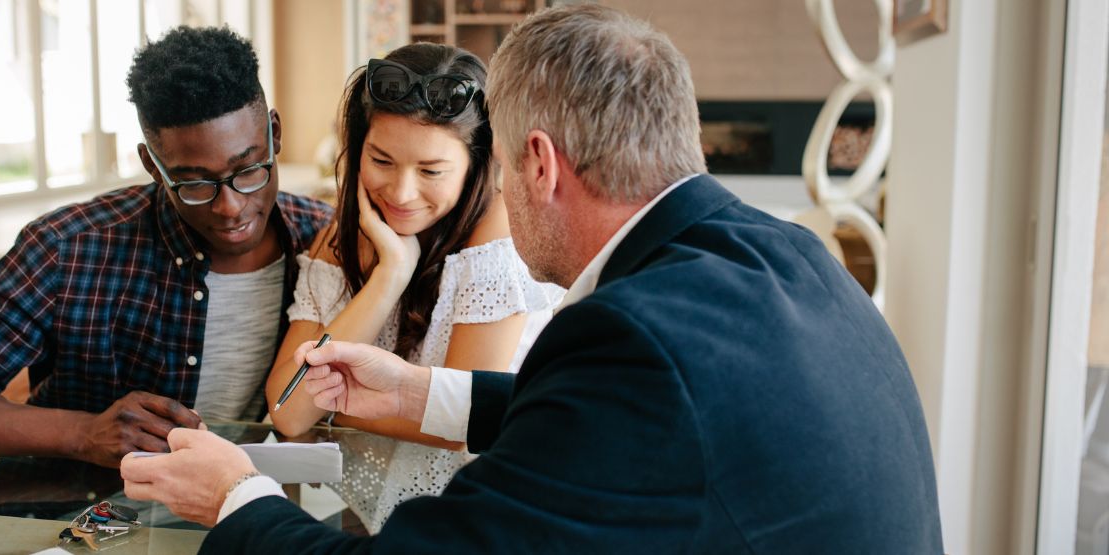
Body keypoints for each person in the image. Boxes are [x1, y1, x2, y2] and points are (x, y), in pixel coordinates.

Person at [121, 5, 945, 553]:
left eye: (502, 170)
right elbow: (632, 419)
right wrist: (416, 394)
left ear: (539, 163)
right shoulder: (786, 254)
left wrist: (237, 497)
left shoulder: (634, 336)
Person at [0, 26, 331, 468]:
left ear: (275, 133)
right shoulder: (69, 248)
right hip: (68, 517)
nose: (230, 207)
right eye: (193, 183)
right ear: (152, 165)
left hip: (238, 515)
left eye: (249, 170)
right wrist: (82, 433)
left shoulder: (323, 245)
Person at [264, 42, 562, 532]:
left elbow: (457, 421)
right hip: (371, 513)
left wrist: (334, 409)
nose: (402, 193)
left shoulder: (498, 243)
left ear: (476, 165)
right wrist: (389, 277)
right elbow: (290, 412)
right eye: (381, 160)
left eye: (431, 171)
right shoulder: (338, 241)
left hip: (483, 518)